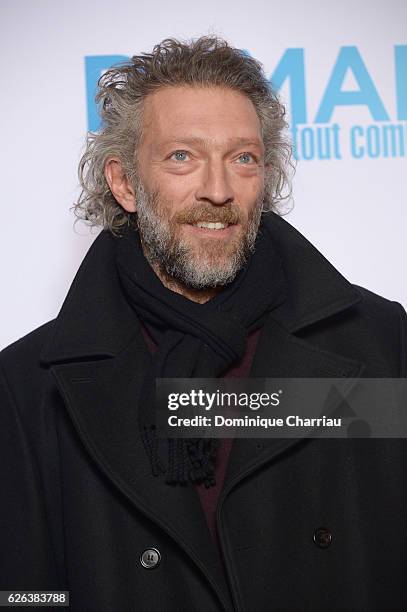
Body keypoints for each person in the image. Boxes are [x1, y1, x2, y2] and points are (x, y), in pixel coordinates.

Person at [0, 36, 406, 612]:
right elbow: (22, 595)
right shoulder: (27, 388)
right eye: (182, 157)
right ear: (124, 183)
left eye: (242, 158)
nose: (217, 191)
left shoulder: (381, 345)